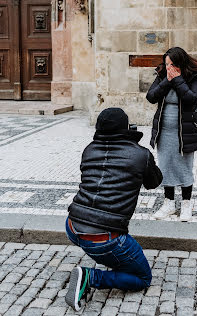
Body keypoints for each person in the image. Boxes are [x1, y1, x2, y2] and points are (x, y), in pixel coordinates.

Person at [65, 107, 162, 311]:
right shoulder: (140, 155)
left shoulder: (89, 149)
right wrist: (135, 144)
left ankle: (112, 258)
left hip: (72, 226)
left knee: (113, 251)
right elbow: (154, 181)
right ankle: (90, 277)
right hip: (103, 237)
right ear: (126, 128)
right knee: (142, 277)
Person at [146, 47, 197, 222]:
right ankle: (169, 203)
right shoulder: (163, 74)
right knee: (165, 165)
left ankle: (186, 204)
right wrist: (167, 80)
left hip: (186, 130)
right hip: (164, 129)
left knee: (184, 166)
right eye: (167, 64)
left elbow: (191, 98)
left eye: (172, 64)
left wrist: (178, 80)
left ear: (181, 63)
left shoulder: (195, 76)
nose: (169, 67)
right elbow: (151, 96)